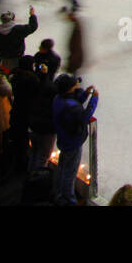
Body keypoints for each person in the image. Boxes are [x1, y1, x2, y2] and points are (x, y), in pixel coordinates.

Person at [51, 76, 98, 206]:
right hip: (72, 142)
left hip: (64, 138)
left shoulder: (58, 99)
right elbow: (84, 115)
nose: (76, 85)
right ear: (69, 88)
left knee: (62, 167)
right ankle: (68, 200)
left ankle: (59, 192)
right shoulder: (69, 105)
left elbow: (74, 104)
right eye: (74, 84)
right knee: (70, 172)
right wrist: (94, 99)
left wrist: (85, 94)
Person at [0, 8, 39, 72]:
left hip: (1, 62)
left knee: (3, 76)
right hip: (17, 60)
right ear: (12, 20)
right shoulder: (18, 30)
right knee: (14, 77)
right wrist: (32, 15)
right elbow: (33, 26)